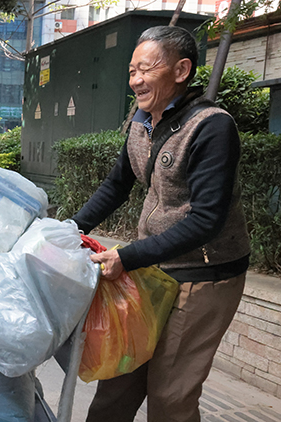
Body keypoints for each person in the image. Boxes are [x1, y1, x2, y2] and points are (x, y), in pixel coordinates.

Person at [72, 26, 250, 422]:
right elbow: (117, 184)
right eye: (132, 71)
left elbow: (206, 219)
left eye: (145, 70)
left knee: (170, 397)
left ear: (181, 70)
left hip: (204, 275)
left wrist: (128, 257)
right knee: (116, 384)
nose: (135, 80)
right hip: (151, 269)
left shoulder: (211, 127)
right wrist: (69, 228)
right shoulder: (141, 121)